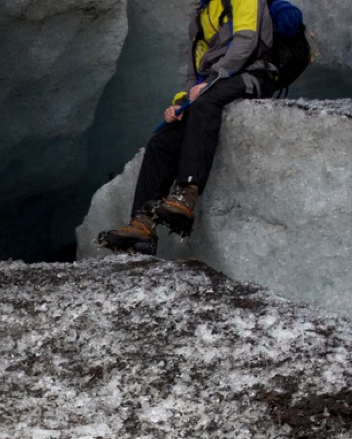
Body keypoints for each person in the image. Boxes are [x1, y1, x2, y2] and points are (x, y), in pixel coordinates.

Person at [99, 0, 277, 254]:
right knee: (162, 141)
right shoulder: (200, 16)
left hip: (253, 76)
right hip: (215, 85)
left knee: (204, 104)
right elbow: (195, 73)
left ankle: (186, 195)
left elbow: (247, 40)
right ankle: (142, 225)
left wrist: (214, 78)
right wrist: (181, 103)